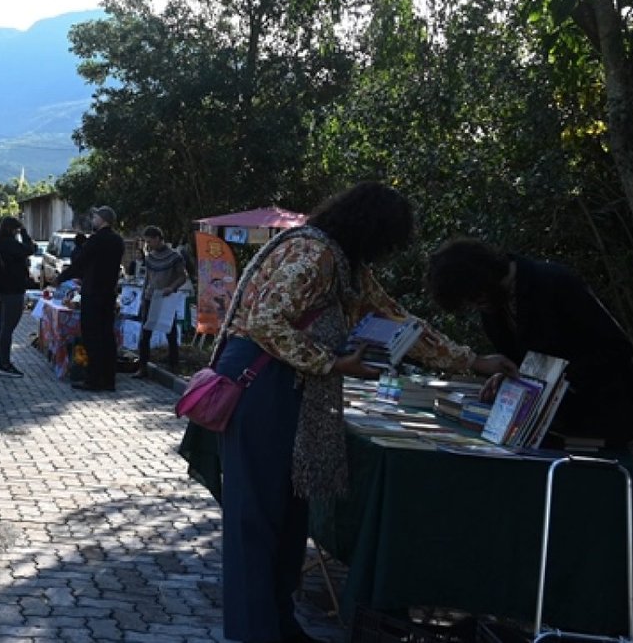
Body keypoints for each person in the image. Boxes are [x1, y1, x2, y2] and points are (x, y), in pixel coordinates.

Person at [206, 182, 516, 643]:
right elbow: (265, 321)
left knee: (291, 513)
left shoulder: (341, 261)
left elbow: (397, 320)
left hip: (289, 386)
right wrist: (332, 363)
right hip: (261, 384)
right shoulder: (316, 256)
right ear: (370, 230)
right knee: (257, 517)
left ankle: (279, 623)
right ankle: (254, 632)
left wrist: (471, 361)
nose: (386, 254)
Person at [426, 238, 633, 447]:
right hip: (553, 424)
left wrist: (557, 377)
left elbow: (617, 347)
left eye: (475, 298)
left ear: (483, 280)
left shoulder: (554, 282)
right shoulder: (493, 306)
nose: (476, 305)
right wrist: (507, 376)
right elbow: (522, 363)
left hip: (606, 414)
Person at [55, 207, 124, 391]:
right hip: (109, 293)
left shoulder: (96, 240)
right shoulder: (118, 241)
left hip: (93, 293)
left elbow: (80, 264)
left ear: (103, 219)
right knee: (107, 336)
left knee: (92, 337)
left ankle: (94, 379)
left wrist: (61, 278)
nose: (93, 219)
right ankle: (109, 379)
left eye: (95, 216)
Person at [134, 226, 187, 378]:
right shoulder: (149, 257)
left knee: (170, 332)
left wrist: (172, 287)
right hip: (151, 297)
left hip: (166, 298)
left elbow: (182, 277)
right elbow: (147, 279)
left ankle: (173, 364)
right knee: (145, 333)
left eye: (149, 241)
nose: (148, 244)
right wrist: (144, 297)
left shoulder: (174, 257)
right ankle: (142, 366)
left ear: (158, 238)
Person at [0, 216, 34, 378]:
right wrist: (24, 232)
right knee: (8, 327)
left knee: (2, 325)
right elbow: (29, 249)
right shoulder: (9, 244)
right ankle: (4, 363)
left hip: (2, 289)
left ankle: (2, 359)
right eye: (16, 231)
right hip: (13, 290)